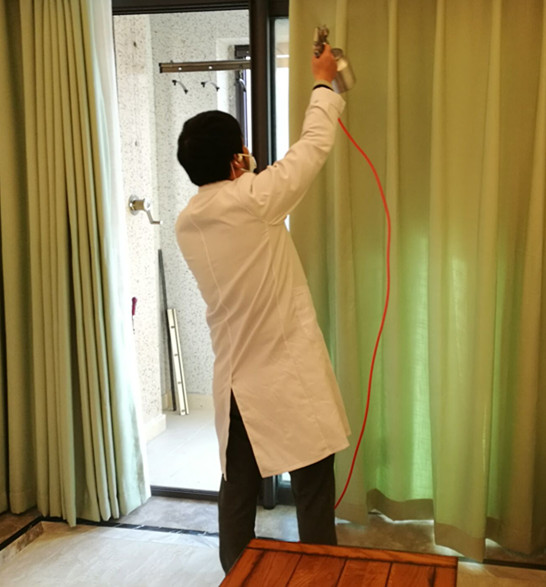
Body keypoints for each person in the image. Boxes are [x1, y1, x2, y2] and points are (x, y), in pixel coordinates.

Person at [175, 43, 350, 574]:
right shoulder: (254, 199)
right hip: (283, 378)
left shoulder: (188, 223)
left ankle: (237, 576)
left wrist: (242, 170)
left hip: (235, 382)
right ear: (236, 159)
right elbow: (312, 147)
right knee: (313, 488)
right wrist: (323, 81)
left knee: (238, 492)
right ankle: (321, 577)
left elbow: (244, 194)